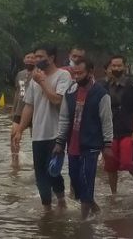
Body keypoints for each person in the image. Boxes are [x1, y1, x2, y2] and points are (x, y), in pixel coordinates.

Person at [13, 45, 73, 211]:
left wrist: (42, 82)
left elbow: (57, 101)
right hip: (38, 134)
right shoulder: (34, 78)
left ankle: (61, 200)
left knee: (52, 171)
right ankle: (47, 209)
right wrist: (20, 130)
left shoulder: (63, 75)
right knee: (40, 175)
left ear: (51, 58)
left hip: (57, 133)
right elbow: (29, 106)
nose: (36, 60)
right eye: (35, 56)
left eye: (40, 57)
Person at [53, 59, 113, 220]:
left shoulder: (101, 94)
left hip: (91, 145)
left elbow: (106, 121)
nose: (77, 76)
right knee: (75, 180)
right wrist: (59, 142)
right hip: (72, 145)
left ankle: (83, 220)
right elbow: (64, 118)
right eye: (75, 73)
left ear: (90, 72)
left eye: (81, 73)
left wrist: (108, 144)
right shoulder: (70, 93)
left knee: (87, 180)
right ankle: (92, 205)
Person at [100, 55, 133, 194]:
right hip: (110, 131)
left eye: (119, 66)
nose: (116, 68)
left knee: (126, 162)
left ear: (125, 67)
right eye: (114, 66)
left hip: (128, 130)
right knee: (111, 165)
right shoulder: (104, 85)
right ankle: (114, 193)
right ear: (110, 67)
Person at [11, 52, 35, 165]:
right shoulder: (20, 74)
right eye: (28, 57)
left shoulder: (39, 74)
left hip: (34, 112)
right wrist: (14, 108)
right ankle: (15, 162)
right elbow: (17, 92)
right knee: (13, 135)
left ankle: (37, 162)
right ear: (24, 60)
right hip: (20, 110)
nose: (30, 60)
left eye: (32, 58)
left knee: (35, 139)